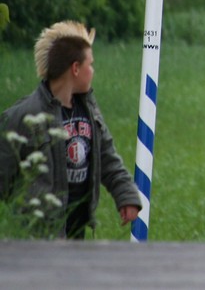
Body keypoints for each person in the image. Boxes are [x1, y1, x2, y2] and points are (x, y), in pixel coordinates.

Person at [0, 21, 141, 239]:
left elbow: (107, 156)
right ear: (75, 68)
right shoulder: (25, 116)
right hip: (38, 235)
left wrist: (126, 196)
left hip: (77, 227)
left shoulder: (89, 109)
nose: (93, 71)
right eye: (90, 64)